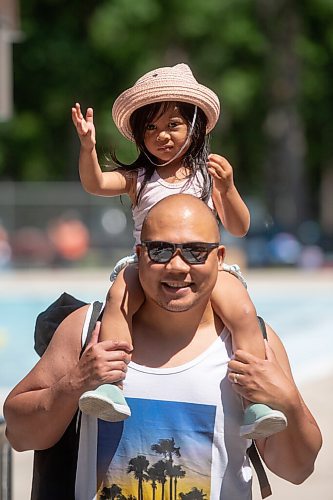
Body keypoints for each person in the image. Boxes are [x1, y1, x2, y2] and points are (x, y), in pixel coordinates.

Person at [4, 194, 322, 499]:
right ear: (139, 255)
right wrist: (76, 383)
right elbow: (18, 434)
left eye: (196, 251)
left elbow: (297, 470)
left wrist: (288, 400)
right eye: (160, 250)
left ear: (220, 258)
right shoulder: (89, 330)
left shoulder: (252, 345)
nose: (177, 267)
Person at [71, 63, 287, 438]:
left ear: (195, 127)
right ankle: (111, 383)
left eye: (173, 124)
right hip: (148, 266)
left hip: (201, 268)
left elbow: (239, 226)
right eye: (151, 128)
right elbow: (95, 184)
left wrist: (229, 188)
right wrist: (88, 147)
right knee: (119, 296)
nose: (162, 136)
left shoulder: (208, 175)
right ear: (139, 136)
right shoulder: (139, 178)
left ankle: (255, 398)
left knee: (242, 309)